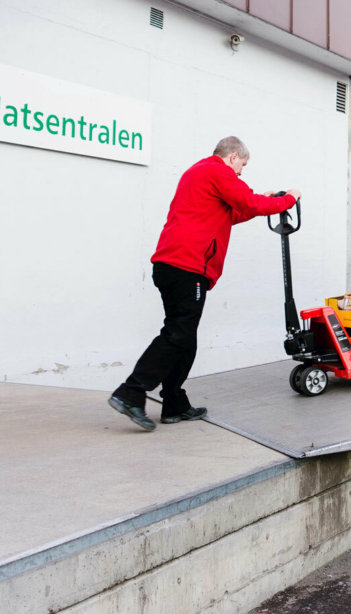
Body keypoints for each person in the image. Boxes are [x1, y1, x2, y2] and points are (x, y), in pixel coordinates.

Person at [109, 136, 299, 431]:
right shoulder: (217, 171)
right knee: (177, 333)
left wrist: (265, 200)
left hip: (172, 264)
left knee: (185, 336)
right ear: (234, 156)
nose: (240, 173)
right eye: (242, 166)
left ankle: (174, 403)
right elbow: (248, 201)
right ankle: (131, 392)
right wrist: (288, 199)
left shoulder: (197, 173)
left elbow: (233, 212)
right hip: (187, 266)